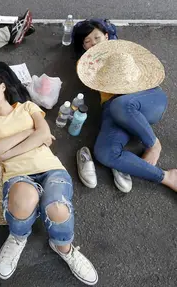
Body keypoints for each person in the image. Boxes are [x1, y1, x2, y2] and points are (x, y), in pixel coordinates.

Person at [0, 63, 98, 285]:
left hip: (49, 167)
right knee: (24, 200)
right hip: (17, 175)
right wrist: (29, 133)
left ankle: (63, 247)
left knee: (57, 207)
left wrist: (8, 153)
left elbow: (44, 132)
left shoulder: (27, 107)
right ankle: (18, 237)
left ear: (2, 86)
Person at [73, 20, 177, 193]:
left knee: (121, 105)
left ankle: (153, 144)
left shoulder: (124, 50)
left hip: (146, 98)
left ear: (107, 36)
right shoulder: (85, 64)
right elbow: (92, 77)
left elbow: (145, 66)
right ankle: (166, 177)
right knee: (104, 152)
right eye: (87, 41)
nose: (93, 43)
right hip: (113, 108)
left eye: (97, 37)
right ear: (83, 47)